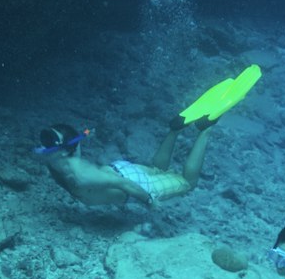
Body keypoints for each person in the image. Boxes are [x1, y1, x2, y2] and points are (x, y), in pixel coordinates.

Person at [35, 65, 259, 207]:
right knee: (158, 170)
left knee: (187, 183)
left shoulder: (66, 168)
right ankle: (175, 128)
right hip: (119, 169)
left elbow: (121, 184)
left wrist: (148, 200)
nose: (45, 146)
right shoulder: (57, 158)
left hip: (127, 181)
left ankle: (206, 127)